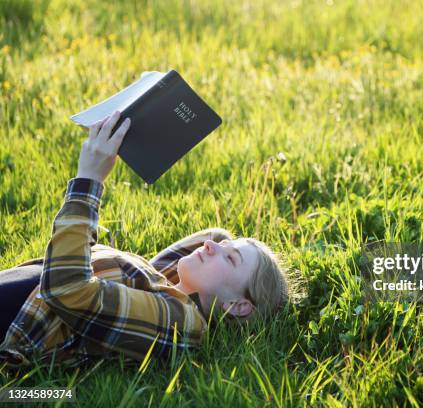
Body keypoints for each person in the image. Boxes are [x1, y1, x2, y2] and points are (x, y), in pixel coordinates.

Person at [0, 110, 291, 367]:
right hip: (22, 290)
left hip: (14, 317)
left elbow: (66, 289)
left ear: (237, 306)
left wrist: (89, 179)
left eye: (230, 257)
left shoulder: (183, 324)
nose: (211, 245)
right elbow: (213, 235)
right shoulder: (165, 288)